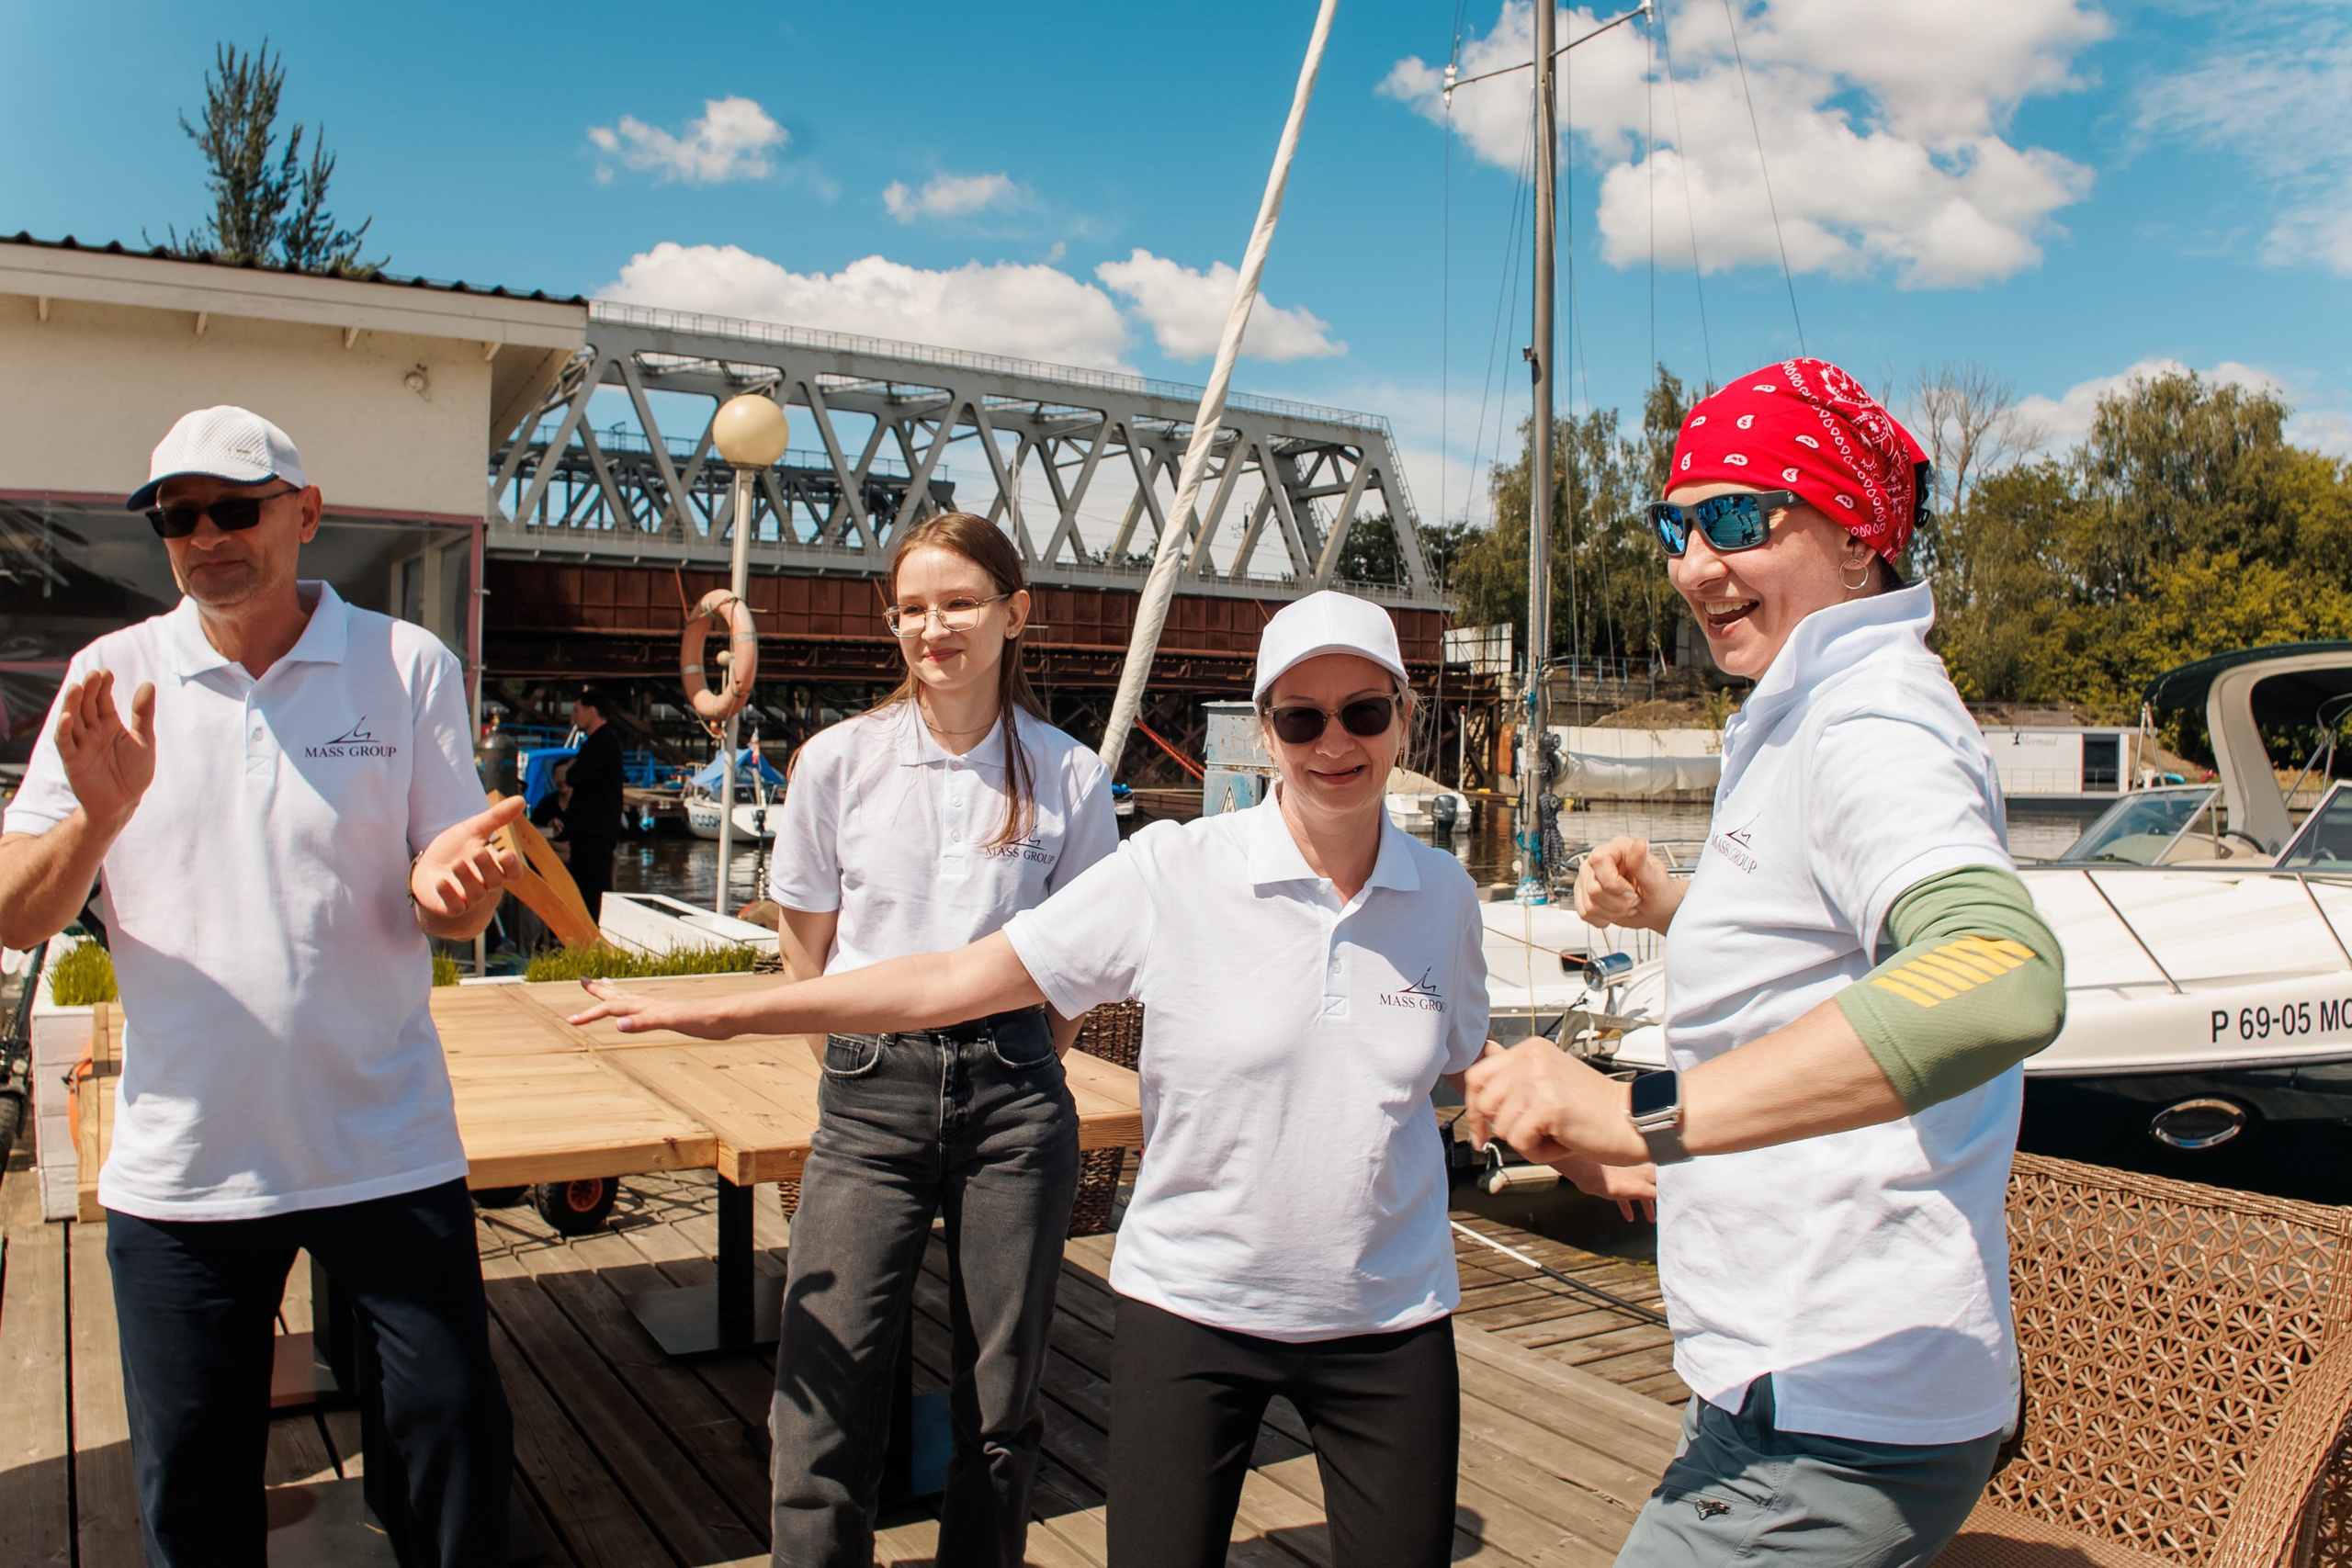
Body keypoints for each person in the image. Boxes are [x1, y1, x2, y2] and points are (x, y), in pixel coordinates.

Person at [572, 588, 1492, 1568]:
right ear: (1266, 732)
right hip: (1192, 1313)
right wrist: (729, 1010)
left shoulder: (1443, 895)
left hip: (1390, 1319)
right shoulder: (1173, 871)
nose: (1333, 743)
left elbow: (1466, 1063)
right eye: (1301, 718)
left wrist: (1619, 1136)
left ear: (1403, 715)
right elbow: (951, 980)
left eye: (1362, 711)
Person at [1464, 359, 2066, 1568]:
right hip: (1781, 1377)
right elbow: (1830, 962)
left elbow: (2001, 967)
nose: (1694, 562)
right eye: (1674, 525)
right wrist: (1680, 910)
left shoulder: (1870, 722)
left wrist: (1646, 1115)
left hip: (1841, 1410)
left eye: (1739, 518)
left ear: (1856, 540)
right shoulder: (1802, 704)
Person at [0, 405, 524, 1566]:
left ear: (305, 514)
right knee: (195, 1495)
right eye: (176, 516)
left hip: (384, 1143)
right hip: (186, 1165)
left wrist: (459, 895)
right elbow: (14, 907)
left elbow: (451, 869)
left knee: (452, 1455)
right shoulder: (112, 674)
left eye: (233, 508)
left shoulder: (403, 663)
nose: (203, 536)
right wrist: (98, 818)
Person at [741, 512, 1125, 1564]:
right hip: (870, 1098)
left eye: (957, 603)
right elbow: (803, 944)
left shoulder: (1068, 776)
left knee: (999, 1409)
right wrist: (854, 1065)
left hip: (1014, 1101)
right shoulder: (837, 762)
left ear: (1015, 613)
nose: (932, 628)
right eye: (911, 608)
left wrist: (1019, 1054)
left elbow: (1076, 968)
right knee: (824, 1395)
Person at [564, 686, 625, 917]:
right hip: (590, 828)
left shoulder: (604, 741)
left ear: (591, 710)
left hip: (595, 828)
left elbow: (578, 776)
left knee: (593, 887)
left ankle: (595, 935)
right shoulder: (598, 741)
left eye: (577, 709)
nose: (573, 716)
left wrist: (571, 771)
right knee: (585, 883)